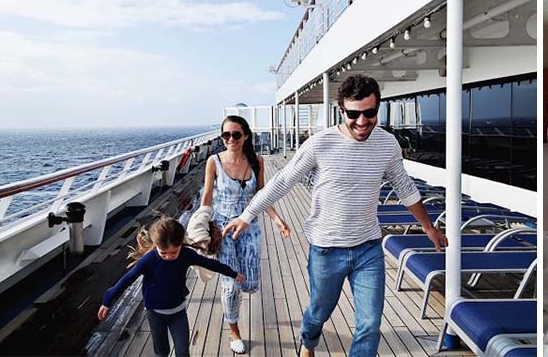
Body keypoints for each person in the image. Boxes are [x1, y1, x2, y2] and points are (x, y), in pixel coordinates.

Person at [223, 74, 446, 356]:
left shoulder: (387, 144)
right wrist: (247, 215)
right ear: (342, 111)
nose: (362, 121)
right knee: (319, 312)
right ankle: (308, 341)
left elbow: (404, 186)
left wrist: (428, 227)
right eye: (354, 114)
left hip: (368, 247)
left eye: (370, 113)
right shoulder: (320, 144)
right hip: (327, 249)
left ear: (377, 108)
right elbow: (283, 181)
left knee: (369, 324)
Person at [202, 115, 290, 354]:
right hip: (223, 230)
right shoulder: (214, 161)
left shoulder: (256, 161)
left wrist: (277, 219)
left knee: (249, 285)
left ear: (246, 136)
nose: (230, 139)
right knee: (231, 286)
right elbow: (207, 199)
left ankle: (234, 296)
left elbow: (262, 197)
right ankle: (234, 330)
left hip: (249, 228)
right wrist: (201, 229)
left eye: (236, 134)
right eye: (226, 135)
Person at [98, 217, 244, 357]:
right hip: (155, 314)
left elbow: (210, 264)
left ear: (181, 243)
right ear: (157, 246)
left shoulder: (187, 255)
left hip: (178, 313)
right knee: (162, 352)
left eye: (174, 252)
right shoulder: (148, 261)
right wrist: (107, 300)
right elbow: (127, 279)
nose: (169, 257)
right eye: (164, 253)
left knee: (182, 352)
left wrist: (232, 273)